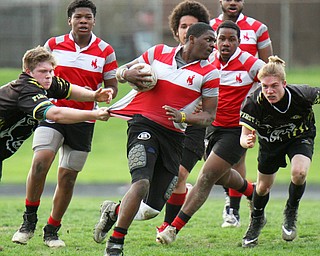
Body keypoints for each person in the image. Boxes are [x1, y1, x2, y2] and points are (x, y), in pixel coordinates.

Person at [96, 22, 219, 256]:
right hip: (143, 124)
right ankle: (116, 243)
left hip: (174, 137)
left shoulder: (210, 73)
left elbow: (209, 116)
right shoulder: (157, 52)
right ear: (191, 39)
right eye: (208, 40)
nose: (213, 46)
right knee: (141, 183)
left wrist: (183, 116)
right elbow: (121, 72)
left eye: (214, 41)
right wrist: (126, 73)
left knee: (152, 209)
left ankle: (113, 212)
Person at [12, 0, 118, 248]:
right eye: (78, 17)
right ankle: (28, 222)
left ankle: (52, 230)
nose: (83, 21)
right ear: (69, 19)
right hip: (53, 113)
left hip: (83, 119)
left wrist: (108, 93)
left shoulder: (105, 50)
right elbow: (37, 72)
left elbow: (112, 84)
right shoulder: (53, 44)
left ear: (94, 20)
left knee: (68, 177)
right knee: (40, 162)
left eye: (88, 17)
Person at [155, 20, 264, 245]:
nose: (225, 44)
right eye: (221, 39)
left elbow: (273, 80)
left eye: (231, 39)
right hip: (210, 128)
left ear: (239, 41)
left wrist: (256, 110)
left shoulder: (250, 63)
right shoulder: (207, 61)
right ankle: (252, 192)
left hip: (234, 132)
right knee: (219, 176)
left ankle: (173, 228)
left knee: (205, 177)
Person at [240, 56, 318, 247]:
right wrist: (247, 141)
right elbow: (243, 137)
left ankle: (291, 212)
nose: (269, 91)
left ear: (284, 83)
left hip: (300, 137)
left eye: (274, 85)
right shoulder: (253, 102)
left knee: (299, 173)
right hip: (270, 144)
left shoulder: (302, 94)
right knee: (262, 187)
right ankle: (256, 220)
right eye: (265, 86)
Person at [0, 45, 111, 181]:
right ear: (28, 72)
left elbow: (69, 90)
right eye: (43, 71)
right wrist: (94, 114)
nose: (48, 76)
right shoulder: (27, 89)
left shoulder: (45, 82)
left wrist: (94, 95)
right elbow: (56, 114)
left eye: (51, 71)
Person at [210, 0, 273, 227]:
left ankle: (231, 210)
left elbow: (268, 69)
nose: (233, 2)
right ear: (221, 2)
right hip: (214, 104)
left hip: (243, 102)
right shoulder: (210, 25)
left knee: (236, 159)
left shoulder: (258, 28)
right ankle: (250, 192)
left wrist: (253, 100)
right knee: (214, 165)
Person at [155, 0, 212, 235]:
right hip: (163, 126)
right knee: (166, 177)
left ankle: (168, 226)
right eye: (183, 26)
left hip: (194, 128)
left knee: (178, 175)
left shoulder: (210, 64)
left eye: (194, 26)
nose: (188, 31)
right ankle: (249, 191)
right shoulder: (163, 59)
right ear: (176, 30)